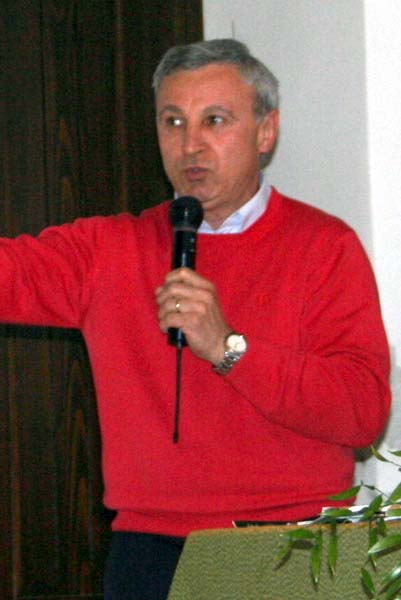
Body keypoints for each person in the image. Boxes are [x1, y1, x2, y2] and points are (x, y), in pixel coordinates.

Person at [0, 39, 391, 599]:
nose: (191, 144)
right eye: (173, 121)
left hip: (292, 546)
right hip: (149, 553)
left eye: (215, 120)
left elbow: (362, 412)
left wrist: (229, 348)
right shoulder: (109, 250)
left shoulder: (325, 247)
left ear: (266, 131)